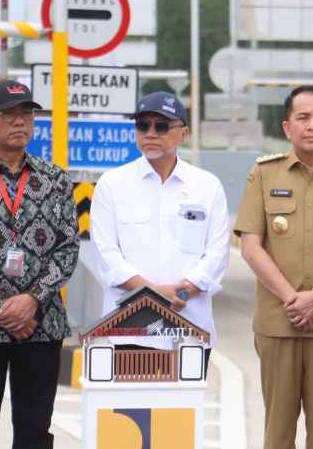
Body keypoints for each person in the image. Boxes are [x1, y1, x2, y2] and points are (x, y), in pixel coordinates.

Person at [234, 85, 313, 449]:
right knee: (277, 431)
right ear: (287, 126)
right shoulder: (264, 174)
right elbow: (251, 246)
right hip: (279, 321)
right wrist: (295, 299)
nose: (311, 125)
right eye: (302, 117)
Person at [90, 91, 229, 367]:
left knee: (185, 411)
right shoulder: (111, 184)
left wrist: (183, 291)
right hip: (130, 328)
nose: (150, 133)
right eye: (143, 125)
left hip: (189, 328)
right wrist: (152, 295)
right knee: (131, 410)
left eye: (161, 126)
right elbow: (106, 255)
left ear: (184, 133)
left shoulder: (207, 186)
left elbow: (217, 253)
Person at [0, 79, 80, 449]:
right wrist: (1, 308)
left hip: (40, 325)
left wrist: (31, 300)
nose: (20, 122)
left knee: (33, 432)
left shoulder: (55, 178)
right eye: (9, 114)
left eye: (26, 114)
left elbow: (68, 248)